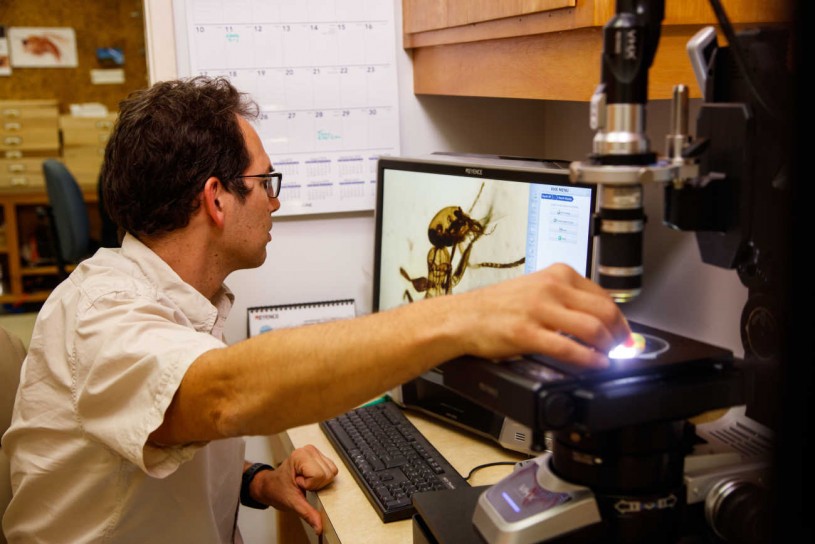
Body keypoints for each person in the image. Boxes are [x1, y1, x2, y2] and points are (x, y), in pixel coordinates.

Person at [1, 76, 631, 543]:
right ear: (216, 200)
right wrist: (466, 314)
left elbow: (153, 437)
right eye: (266, 183)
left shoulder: (173, 300)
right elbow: (221, 396)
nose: (276, 204)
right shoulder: (101, 312)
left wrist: (257, 481)